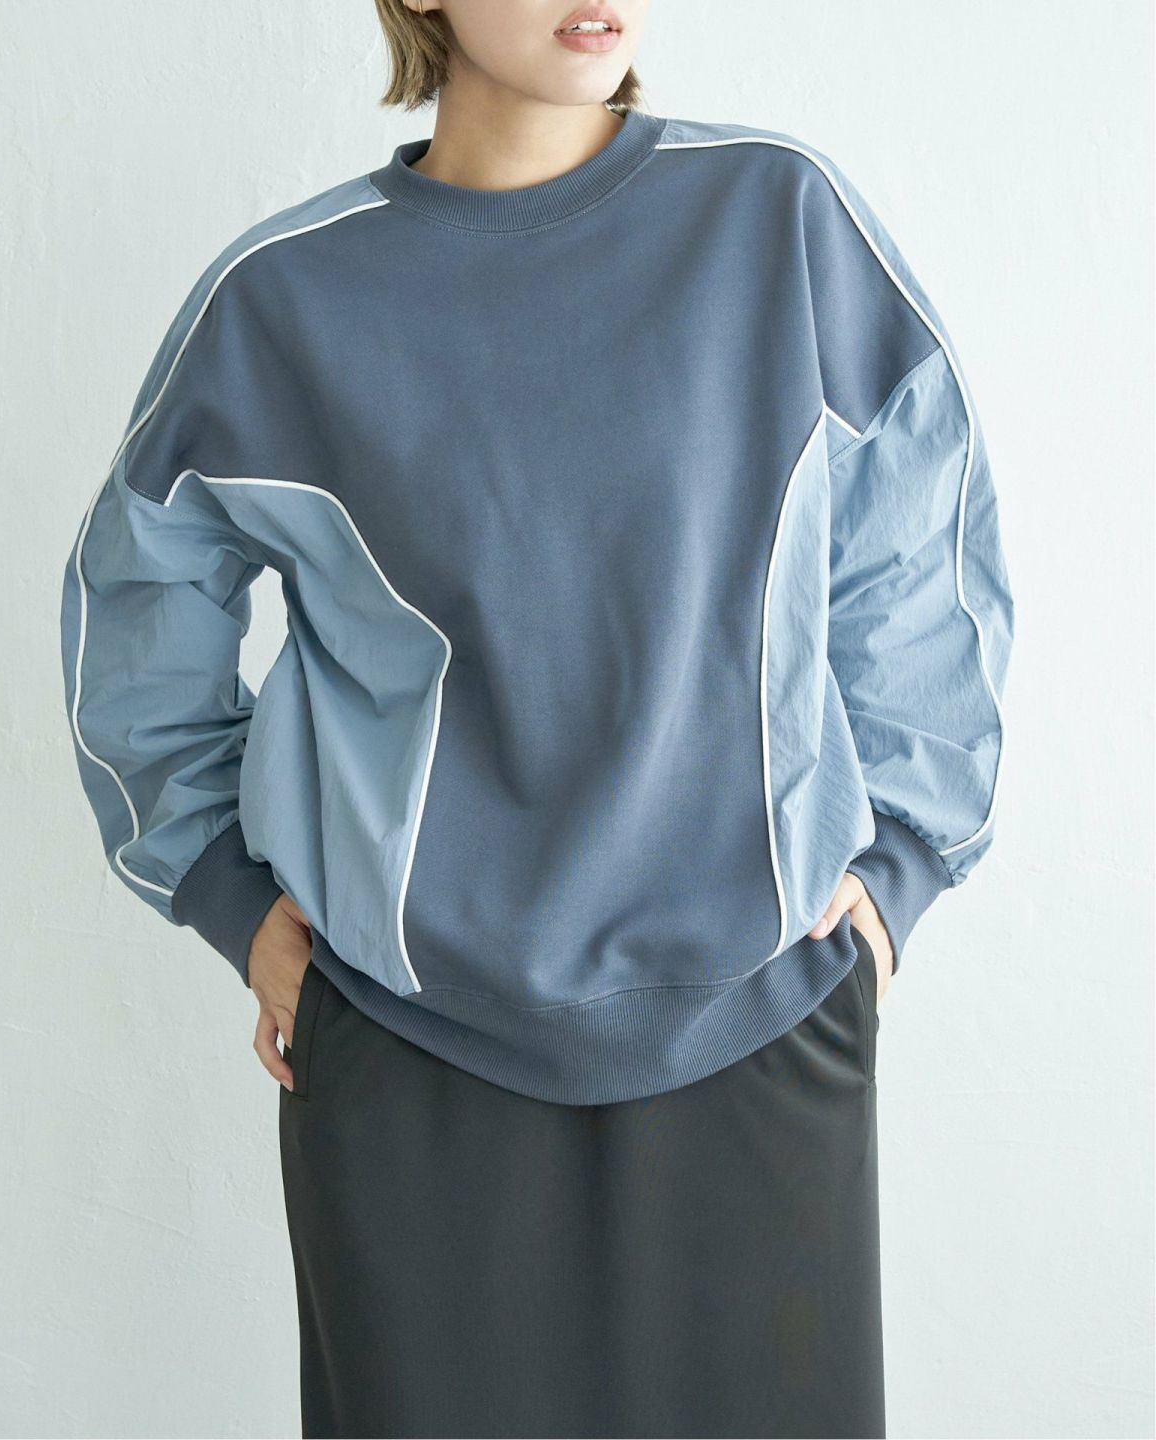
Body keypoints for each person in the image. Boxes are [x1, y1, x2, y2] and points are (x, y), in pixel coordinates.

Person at [58, 0, 1015, 1435]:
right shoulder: (282, 301)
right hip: (407, 1062)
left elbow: (920, 545)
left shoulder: (776, 219)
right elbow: (137, 610)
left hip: (762, 1031)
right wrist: (227, 897)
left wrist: (898, 872)